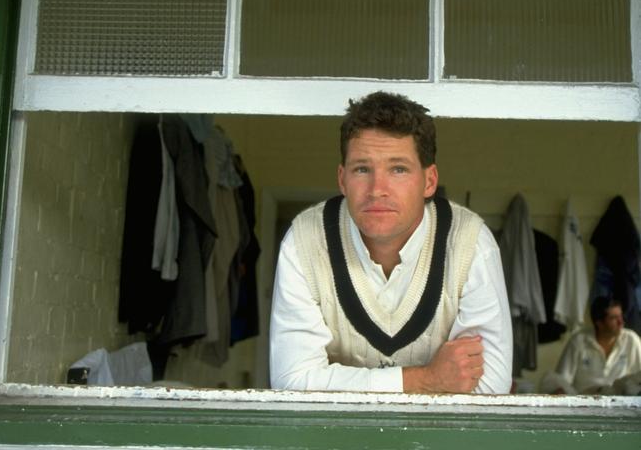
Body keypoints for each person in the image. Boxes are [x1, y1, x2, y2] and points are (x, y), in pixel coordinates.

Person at [269, 91, 513, 394]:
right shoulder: (305, 240)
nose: (377, 190)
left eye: (398, 169)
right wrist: (426, 380)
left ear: (429, 181)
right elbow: (291, 381)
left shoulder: (470, 243)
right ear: (342, 179)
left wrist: (340, 382)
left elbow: (489, 386)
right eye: (362, 169)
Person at [541, 297, 641, 395]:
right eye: (614, 318)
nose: (621, 322)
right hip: (583, 405)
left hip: (620, 405)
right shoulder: (578, 341)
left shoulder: (631, 340)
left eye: (621, 316)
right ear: (599, 323)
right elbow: (562, 380)